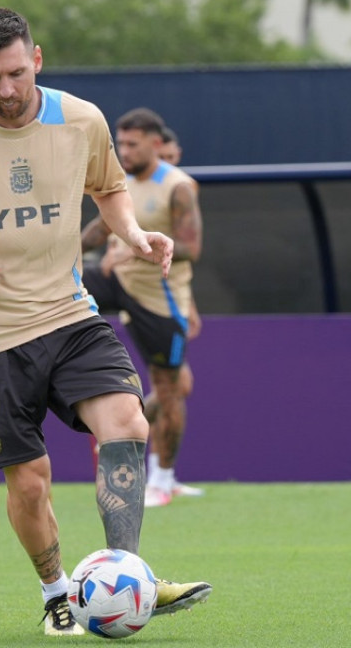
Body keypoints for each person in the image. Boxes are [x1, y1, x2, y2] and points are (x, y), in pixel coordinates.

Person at [0, 8, 211, 636]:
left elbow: (109, 186)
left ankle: (126, 577)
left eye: (17, 73)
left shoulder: (82, 119)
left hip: (69, 312)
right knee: (30, 482)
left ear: (36, 59)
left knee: (127, 419)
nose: (8, 90)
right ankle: (57, 596)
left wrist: (131, 233)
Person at [82, 111, 205, 507]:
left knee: (171, 390)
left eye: (133, 144)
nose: (125, 151)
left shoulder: (178, 187)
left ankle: (163, 480)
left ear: (155, 144)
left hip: (160, 302)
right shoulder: (120, 183)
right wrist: (60, 247)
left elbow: (190, 248)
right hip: (120, 282)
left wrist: (138, 250)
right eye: (122, 143)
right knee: (56, 280)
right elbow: (101, 229)